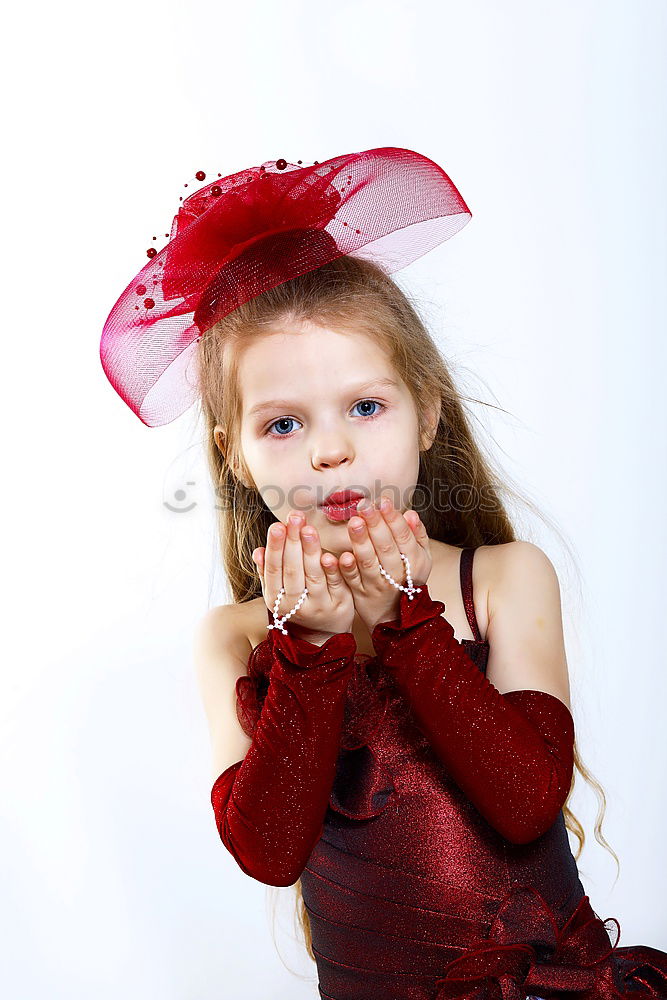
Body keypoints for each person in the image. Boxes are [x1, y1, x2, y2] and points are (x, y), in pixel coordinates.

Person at [101, 149, 667, 999]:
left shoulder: (503, 579)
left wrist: (413, 622)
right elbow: (268, 851)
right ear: (237, 454)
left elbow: (523, 803)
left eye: (365, 407)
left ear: (426, 410)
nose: (331, 449)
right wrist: (310, 647)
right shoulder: (234, 637)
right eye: (283, 423)